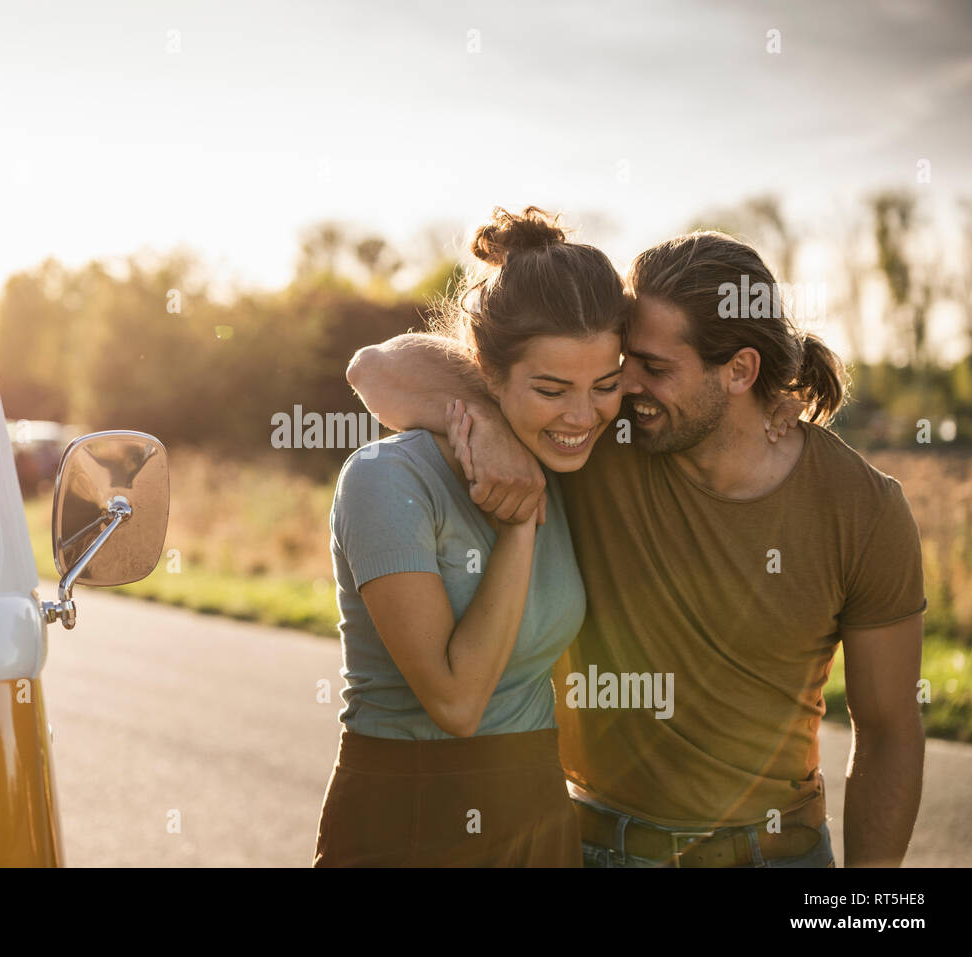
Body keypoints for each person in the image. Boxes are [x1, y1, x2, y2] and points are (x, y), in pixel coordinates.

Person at [347, 230, 926, 867]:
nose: (625, 390)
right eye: (625, 366)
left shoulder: (864, 509)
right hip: (598, 847)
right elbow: (377, 367)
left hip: (778, 855)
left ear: (739, 371)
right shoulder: (598, 441)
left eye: (652, 369)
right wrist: (492, 427)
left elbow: (891, 731)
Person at [313, 206, 628, 866]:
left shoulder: (571, 463)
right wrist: (518, 528)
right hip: (411, 816)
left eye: (605, 385)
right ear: (486, 372)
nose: (581, 415)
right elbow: (457, 701)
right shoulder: (385, 479)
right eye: (551, 388)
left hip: (539, 810)